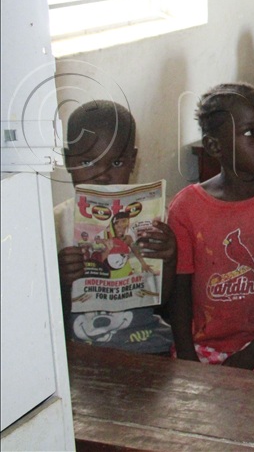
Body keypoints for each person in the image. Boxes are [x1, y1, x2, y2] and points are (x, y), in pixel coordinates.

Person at [170, 83, 254, 373]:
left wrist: (253, 352)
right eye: (251, 133)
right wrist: (187, 357)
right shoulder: (187, 208)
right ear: (215, 146)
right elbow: (179, 292)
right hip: (203, 346)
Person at [55, 101, 176, 353]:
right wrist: (61, 280)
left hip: (145, 344)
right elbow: (45, 314)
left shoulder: (153, 220)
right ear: (68, 161)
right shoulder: (55, 224)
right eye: (88, 162)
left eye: (117, 163)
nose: (102, 174)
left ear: (132, 161)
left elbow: (164, 300)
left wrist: (169, 259)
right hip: (78, 347)